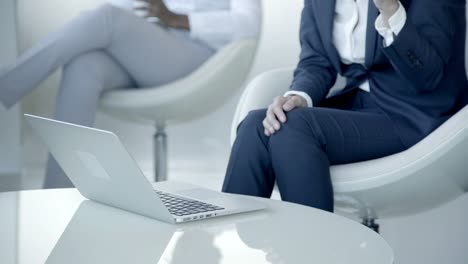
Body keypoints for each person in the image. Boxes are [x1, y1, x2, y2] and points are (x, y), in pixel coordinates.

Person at [222, 0, 468, 212]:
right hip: (359, 102)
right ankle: (233, 237)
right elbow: (316, 59)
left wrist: (390, 8)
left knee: (294, 128)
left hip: (416, 113)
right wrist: (298, 97)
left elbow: (428, 76)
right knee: (257, 126)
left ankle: (311, 253)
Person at [0, 0, 260, 188]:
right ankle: (57, 196)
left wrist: (177, 18)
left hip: (200, 55)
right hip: (150, 47)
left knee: (107, 17)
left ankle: (7, 83)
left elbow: (248, 23)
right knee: (83, 67)